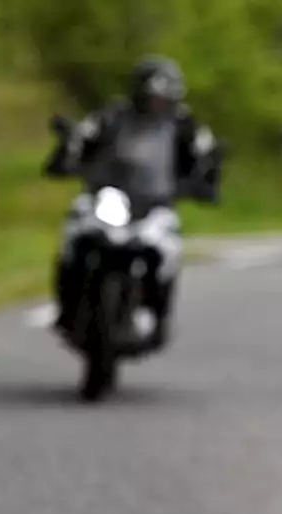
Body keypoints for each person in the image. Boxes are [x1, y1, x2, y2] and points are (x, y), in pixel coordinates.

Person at [44, 55, 222, 351]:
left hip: (155, 203)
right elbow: (82, 140)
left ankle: (157, 316)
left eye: (161, 96)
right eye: (149, 95)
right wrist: (66, 151)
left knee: (166, 252)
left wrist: (207, 179)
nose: (155, 102)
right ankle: (67, 306)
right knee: (73, 240)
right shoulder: (111, 116)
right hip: (108, 197)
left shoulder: (184, 126)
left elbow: (204, 157)